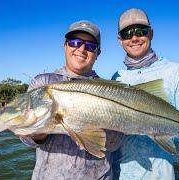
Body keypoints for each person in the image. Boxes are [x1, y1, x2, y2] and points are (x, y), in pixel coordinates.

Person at [19, 20, 123, 180]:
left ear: (98, 53)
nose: (81, 49)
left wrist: (103, 124)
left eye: (90, 46)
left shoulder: (110, 90)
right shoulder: (43, 83)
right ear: (65, 45)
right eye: (75, 42)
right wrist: (36, 132)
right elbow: (27, 139)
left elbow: (115, 144)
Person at [111, 8, 179, 180]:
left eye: (140, 31)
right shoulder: (117, 77)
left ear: (151, 33)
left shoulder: (175, 71)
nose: (134, 37)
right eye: (127, 33)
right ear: (120, 40)